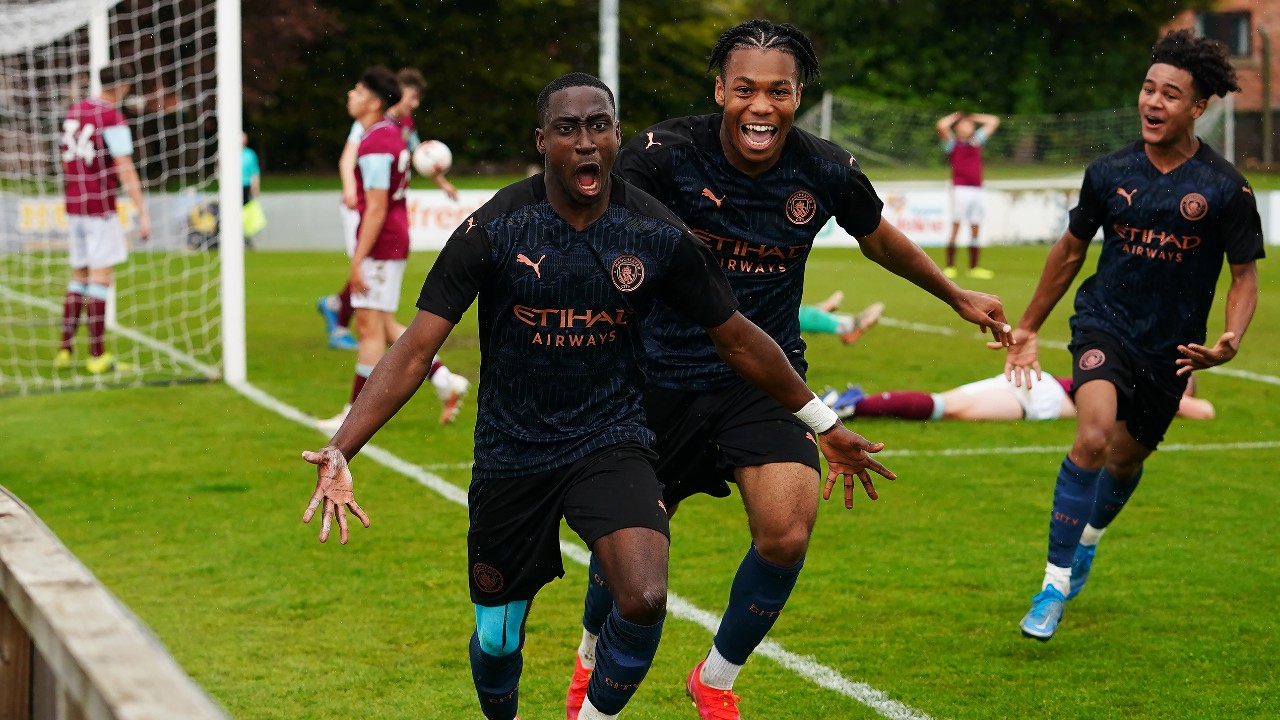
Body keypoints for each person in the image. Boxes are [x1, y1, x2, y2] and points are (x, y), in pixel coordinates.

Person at [301, 72, 894, 720]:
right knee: (499, 638)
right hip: (512, 451)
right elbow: (414, 349)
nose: (585, 143)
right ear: (541, 142)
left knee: (642, 594)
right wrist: (342, 447)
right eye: (567, 129)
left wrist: (824, 423)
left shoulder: (657, 234)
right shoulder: (495, 229)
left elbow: (740, 340)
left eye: (598, 127)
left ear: (616, 137)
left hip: (611, 441)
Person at [567, 20, 1012, 720]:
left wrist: (956, 295)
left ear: (798, 96)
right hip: (652, 383)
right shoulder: (659, 155)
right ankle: (590, 652)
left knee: (787, 529)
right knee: (632, 560)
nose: (761, 106)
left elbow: (878, 239)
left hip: (763, 383)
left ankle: (712, 680)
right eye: (744, 89)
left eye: (778, 91)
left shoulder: (826, 168)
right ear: (720, 91)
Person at [1003, 29, 1263, 642]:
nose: (1152, 102)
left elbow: (1245, 275)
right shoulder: (1111, 171)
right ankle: (1052, 586)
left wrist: (1231, 335)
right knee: (1092, 436)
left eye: (1170, 95)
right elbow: (1069, 253)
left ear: (1198, 107)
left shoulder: (1226, 188)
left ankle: (1088, 539)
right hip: (1104, 325)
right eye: (1148, 88)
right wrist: (1029, 327)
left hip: (1172, 348)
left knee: (1126, 458)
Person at [315, 67, 467, 432]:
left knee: (368, 328)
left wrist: (357, 259)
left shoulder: (377, 143)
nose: (350, 95)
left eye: (355, 89)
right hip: (389, 239)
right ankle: (445, 380)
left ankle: (353, 415)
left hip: (383, 242)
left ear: (371, 100)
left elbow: (378, 207)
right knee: (381, 325)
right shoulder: (385, 135)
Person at [56, 64, 152, 375]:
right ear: (123, 87)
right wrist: (142, 211)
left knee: (79, 276)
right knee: (101, 278)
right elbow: (124, 167)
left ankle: (64, 350)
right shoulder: (112, 117)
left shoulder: (74, 111)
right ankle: (97, 356)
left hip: (74, 204)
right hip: (99, 206)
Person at [823, 370, 1215, 422]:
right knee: (949, 409)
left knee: (945, 403)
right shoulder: (1154, 392)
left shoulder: (1134, 376)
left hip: (1037, 382)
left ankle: (858, 402)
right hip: (1041, 398)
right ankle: (855, 405)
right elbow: (1205, 411)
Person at [935, 110, 1000, 279]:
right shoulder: (952, 143)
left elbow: (993, 121)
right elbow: (941, 125)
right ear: (957, 128)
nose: (968, 126)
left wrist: (974, 117)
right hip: (960, 189)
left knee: (975, 226)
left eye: (970, 125)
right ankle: (950, 265)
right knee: (956, 225)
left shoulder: (976, 141)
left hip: (977, 189)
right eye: (964, 124)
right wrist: (955, 116)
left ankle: (974, 267)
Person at [798, 290, 884, 344]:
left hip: (805, 317)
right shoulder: (848, 326)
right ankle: (830, 306)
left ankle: (830, 306)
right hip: (805, 315)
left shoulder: (848, 327)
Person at [241, 132, 265, 248]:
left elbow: (255, 172)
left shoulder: (250, 154)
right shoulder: (227, 153)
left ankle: (245, 236)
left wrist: (256, 187)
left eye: (243, 138)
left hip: (245, 186)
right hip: (231, 188)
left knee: (245, 211)